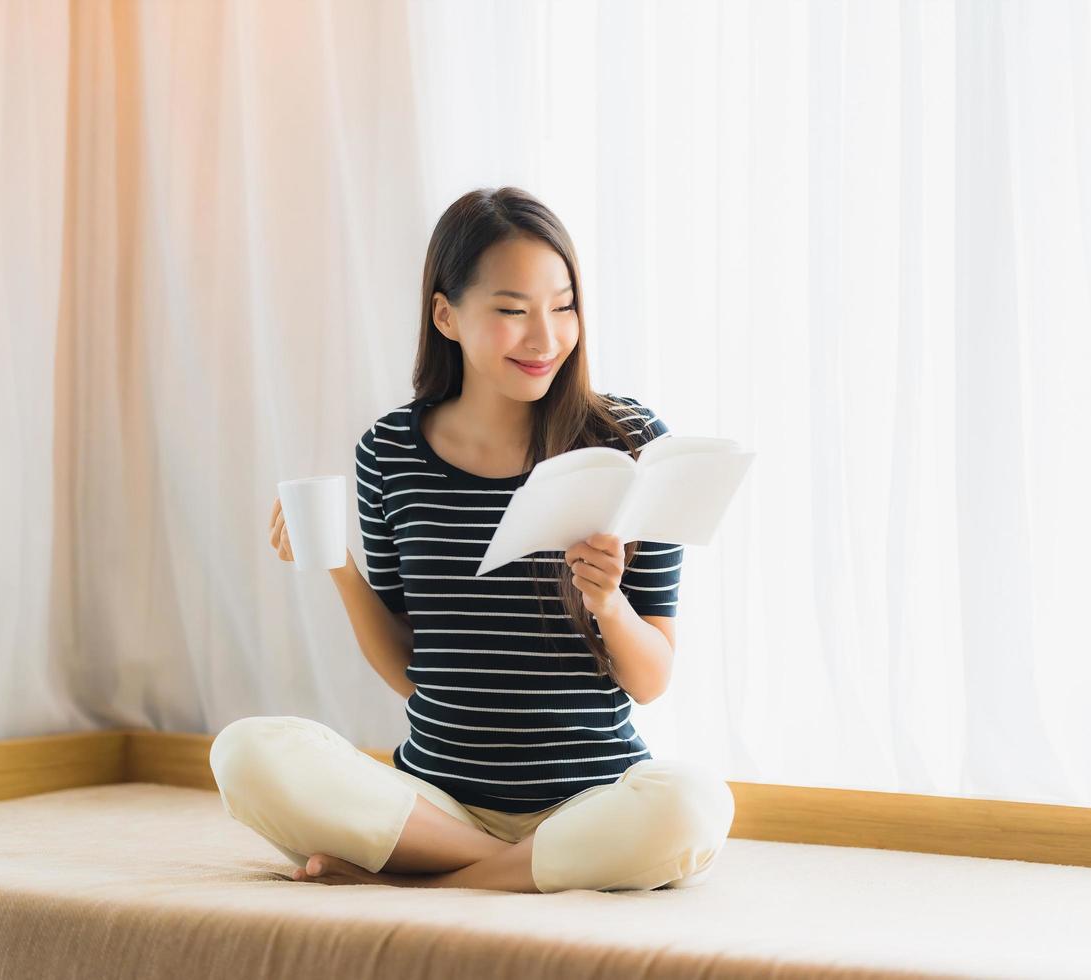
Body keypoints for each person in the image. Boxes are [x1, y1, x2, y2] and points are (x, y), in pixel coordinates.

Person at [210, 186, 735, 893]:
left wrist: (609, 602)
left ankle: (427, 882)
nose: (545, 338)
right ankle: (507, 870)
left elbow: (651, 681)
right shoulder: (390, 452)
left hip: (589, 802)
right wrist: (338, 565)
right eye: (513, 311)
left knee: (692, 805)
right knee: (247, 754)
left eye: (564, 305)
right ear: (446, 315)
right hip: (435, 800)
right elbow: (409, 670)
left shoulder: (631, 444)